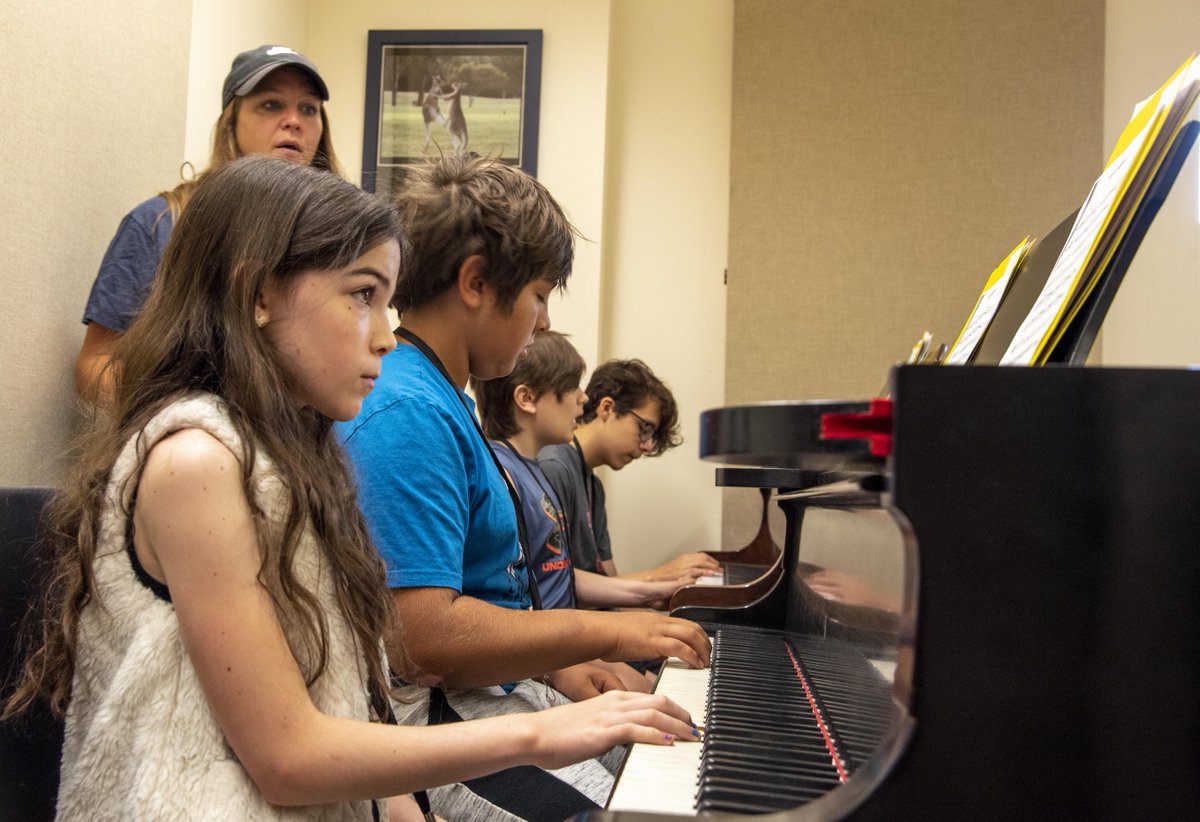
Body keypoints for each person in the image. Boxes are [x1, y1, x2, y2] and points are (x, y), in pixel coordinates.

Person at [2, 156, 699, 821]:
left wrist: (402, 806)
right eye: (363, 296)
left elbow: (346, 690)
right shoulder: (197, 462)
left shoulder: (293, 452)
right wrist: (544, 734)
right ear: (259, 297)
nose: (386, 337)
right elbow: (287, 756)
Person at [336, 154, 711, 821]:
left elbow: (484, 593)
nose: (542, 321)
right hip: (439, 729)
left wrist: (565, 662)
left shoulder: (442, 398)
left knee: (662, 764)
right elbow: (420, 639)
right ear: (476, 283)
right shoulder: (408, 412)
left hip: (494, 698)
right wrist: (608, 633)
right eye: (539, 295)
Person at [75, 44, 342, 406]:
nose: (294, 120)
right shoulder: (162, 223)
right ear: (231, 121)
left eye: (308, 108)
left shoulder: (337, 237)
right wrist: (182, 415)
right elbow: (95, 364)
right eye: (271, 104)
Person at [472, 331, 689, 691]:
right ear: (526, 399)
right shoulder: (508, 474)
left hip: (562, 646)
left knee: (658, 688)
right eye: (572, 388)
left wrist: (649, 593)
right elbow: (516, 603)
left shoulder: (534, 470)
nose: (583, 398)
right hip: (547, 657)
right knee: (654, 697)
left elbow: (558, 573)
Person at [539, 359, 722, 584]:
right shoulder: (554, 466)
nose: (646, 446)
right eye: (645, 429)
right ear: (607, 408)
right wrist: (658, 575)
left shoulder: (593, 487)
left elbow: (609, 585)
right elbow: (551, 582)